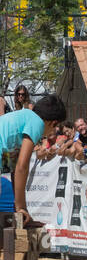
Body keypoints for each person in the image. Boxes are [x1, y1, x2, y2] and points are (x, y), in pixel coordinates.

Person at [1, 95, 65, 223]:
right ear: (54, 123)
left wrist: (20, 209)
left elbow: (14, 169)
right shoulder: (37, 122)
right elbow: (22, 167)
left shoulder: (23, 117)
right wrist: (21, 207)